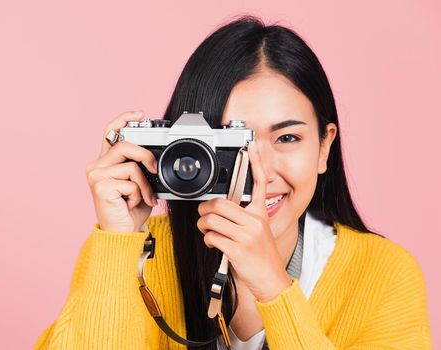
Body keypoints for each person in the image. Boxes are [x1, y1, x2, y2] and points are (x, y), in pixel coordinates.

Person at [34, 15, 432, 350]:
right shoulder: (131, 254)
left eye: (287, 138)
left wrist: (274, 287)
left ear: (324, 147)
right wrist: (118, 243)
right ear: (183, 149)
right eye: (229, 142)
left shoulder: (384, 273)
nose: (258, 172)